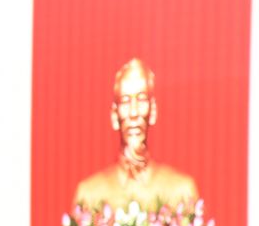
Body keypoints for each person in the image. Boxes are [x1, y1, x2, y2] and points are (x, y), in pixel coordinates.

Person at [73, 57, 199, 211]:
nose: (134, 112)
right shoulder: (90, 195)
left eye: (141, 100)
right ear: (114, 115)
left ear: (153, 111)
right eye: (125, 101)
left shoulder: (181, 192)